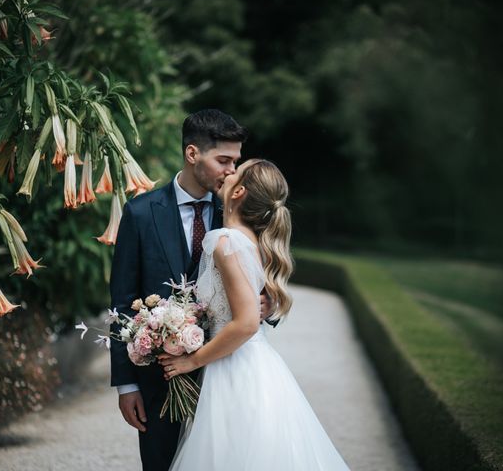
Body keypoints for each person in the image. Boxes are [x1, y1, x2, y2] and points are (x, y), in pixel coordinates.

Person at [159, 159, 351, 470]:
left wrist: (191, 361)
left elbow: (247, 323)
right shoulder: (254, 240)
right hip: (253, 362)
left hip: (232, 366)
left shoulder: (227, 241)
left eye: (235, 170)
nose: (227, 171)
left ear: (239, 192)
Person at [110, 109, 257, 471]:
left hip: (226, 370)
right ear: (193, 154)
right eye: (223, 160)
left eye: (235, 162)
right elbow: (122, 300)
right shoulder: (141, 213)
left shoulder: (239, 213)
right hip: (159, 376)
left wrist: (266, 307)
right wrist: (126, 385)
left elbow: (263, 282)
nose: (231, 171)